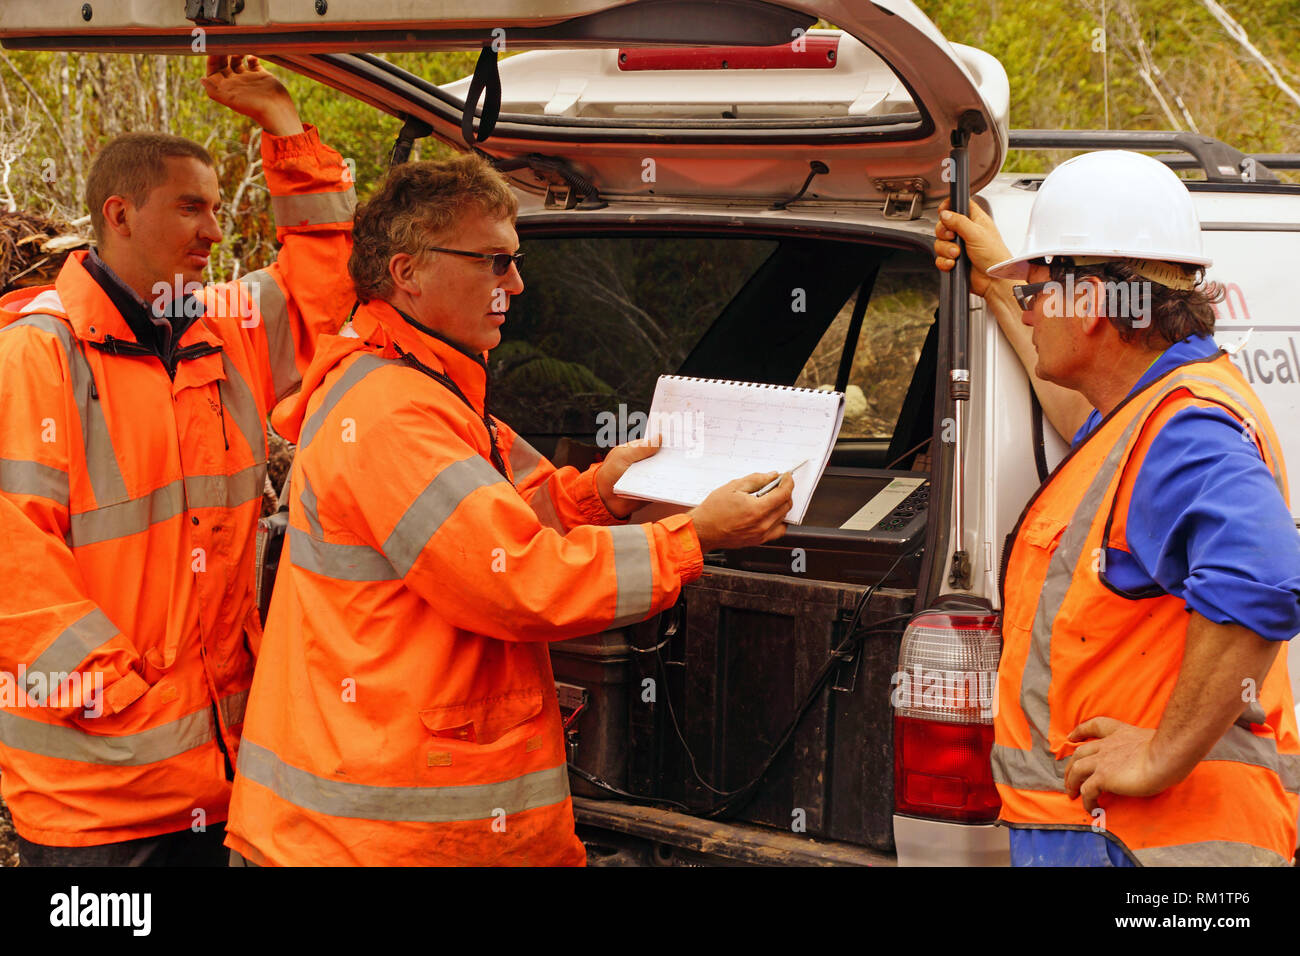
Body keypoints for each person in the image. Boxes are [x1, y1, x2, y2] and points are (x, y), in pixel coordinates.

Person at [223, 154, 794, 866]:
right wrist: (692, 538)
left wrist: (599, 495)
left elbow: (490, 524)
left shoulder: (423, 381)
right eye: (494, 262)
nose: (516, 284)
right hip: (375, 839)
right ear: (408, 272)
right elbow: (516, 580)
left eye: (514, 260)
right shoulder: (392, 413)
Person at [0, 55, 356, 865]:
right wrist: (109, 694)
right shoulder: (36, 355)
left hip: (222, 774)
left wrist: (284, 126)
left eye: (216, 209)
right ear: (119, 214)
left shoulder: (218, 328)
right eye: (191, 208)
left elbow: (326, 300)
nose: (214, 231)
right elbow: (10, 556)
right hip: (94, 797)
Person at [934, 149, 1300, 866]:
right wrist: (1003, 279)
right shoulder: (1140, 414)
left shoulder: (1185, 428)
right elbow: (1086, 420)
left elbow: (1262, 579)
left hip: (1157, 847)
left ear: (1093, 305)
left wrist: (1161, 755)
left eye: (1040, 294)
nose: (1032, 311)